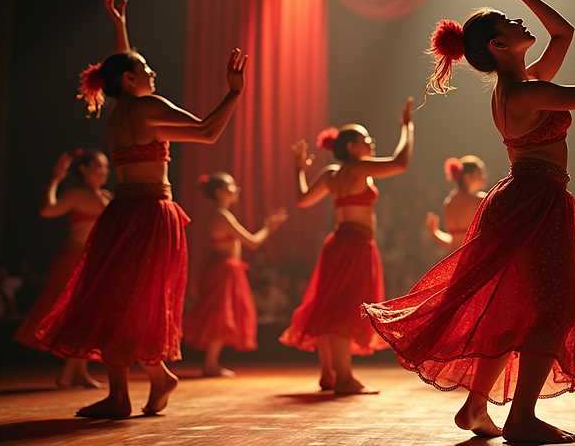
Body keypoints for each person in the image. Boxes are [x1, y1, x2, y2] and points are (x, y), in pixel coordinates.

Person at [364, 0, 575, 443]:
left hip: (526, 196)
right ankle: (522, 418)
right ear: (501, 44)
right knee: (552, 310)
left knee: (517, 305)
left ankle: (475, 408)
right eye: (511, 18)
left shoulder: (522, 83)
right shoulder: (523, 93)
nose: (519, 17)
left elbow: (564, 34)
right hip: (535, 198)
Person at [36, 0, 246, 418]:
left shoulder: (117, 113)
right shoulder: (148, 106)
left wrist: (120, 26)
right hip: (151, 213)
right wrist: (233, 93)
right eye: (145, 69)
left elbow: (122, 66)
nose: (153, 72)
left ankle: (131, 389)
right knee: (133, 299)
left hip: (123, 213)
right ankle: (148, 381)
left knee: (117, 297)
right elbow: (207, 132)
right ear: (131, 80)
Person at [280, 98, 414, 395]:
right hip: (355, 245)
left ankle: (329, 374)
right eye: (365, 138)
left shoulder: (331, 175)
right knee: (342, 307)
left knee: (329, 305)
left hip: (336, 243)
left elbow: (302, 199)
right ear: (352, 147)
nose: (371, 141)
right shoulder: (358, 169)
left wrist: (298, 169)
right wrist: (408, 128)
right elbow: (400, 163)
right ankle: (344, 378)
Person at [14, 149, 111, 388]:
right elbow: (47, 210)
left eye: (105, 167)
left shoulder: (107, 196)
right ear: (83, 169)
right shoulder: (75, 194)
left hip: (93, 261)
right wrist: (56, 179)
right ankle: (70, 373)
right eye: (97, 166)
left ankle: (76, 372)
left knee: (87, 315)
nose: (103, 171)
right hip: (72, 258)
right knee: (72, 313)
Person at [182, 172, 287, 377]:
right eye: (231, 186)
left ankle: (211, 363)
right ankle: (210, 364)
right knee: (220, 316)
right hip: (223, 269)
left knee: (219, 315)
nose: (236, 189)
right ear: (220, 191)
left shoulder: (219, 214)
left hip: (222, 268)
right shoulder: (221, 215)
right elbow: (253, 242)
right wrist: (268, 227)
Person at [426, 156, 487, 252]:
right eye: (481, 173)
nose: (484, 178)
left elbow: (454, 243)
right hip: (477, 259)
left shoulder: (448, 204)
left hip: (459, 264)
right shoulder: (480, 200)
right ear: (467, 177)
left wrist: (435, 233)